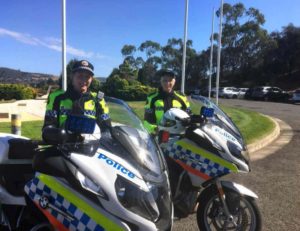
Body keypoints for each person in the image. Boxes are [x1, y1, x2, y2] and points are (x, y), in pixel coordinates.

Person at [42, 60, 111, 142]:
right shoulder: (57, 97)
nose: (84, 80)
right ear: (72, 76)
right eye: (80, 76)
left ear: (91, 79)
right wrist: (57, 135)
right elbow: (48, 126)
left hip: (90, 148)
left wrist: (107, 135)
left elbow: (106, 128)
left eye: (87, 77)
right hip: (63, 147)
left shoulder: (98, 99)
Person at [144, 69, 191, 134]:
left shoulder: (182, 98)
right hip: (159, 136)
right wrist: (155, 129)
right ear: (161, 81)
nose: (167, 83)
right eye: (164, 80)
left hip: (179, 135)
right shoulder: (152, 98)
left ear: (174, 81)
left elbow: (189, 116)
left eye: (170, 80)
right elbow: (147, 121)